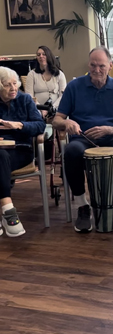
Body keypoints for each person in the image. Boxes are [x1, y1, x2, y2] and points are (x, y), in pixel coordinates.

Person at [52, 46, 113, 234]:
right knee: (71, 151)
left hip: (112, 138)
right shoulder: (74, 87)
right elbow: (56, 119)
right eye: (93, 65)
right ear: (88, 64)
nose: (97, 70)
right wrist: (67, 122)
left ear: (110, 66)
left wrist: (109, 129)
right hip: (83, 138)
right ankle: (82, 206)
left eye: (101, 66)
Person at [0, 67, 45, 237]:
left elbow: (40, 125)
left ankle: (7, 209)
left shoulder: (25, 99)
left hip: (21, 150)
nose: (13, 89)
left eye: (15, 84)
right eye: (7, 85)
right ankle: (8, 212)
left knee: (1, 156)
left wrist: (19, 125)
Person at [26, 45, 67, 117]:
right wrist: (42, 109)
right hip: (37, 109)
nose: (41, 56)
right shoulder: (32, 74)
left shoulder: (59, 74)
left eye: (44, 54)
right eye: (38, 55)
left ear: (49, 56)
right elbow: (29, 96)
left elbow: (63, 95)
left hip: (56, 107)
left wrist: (52, 108)